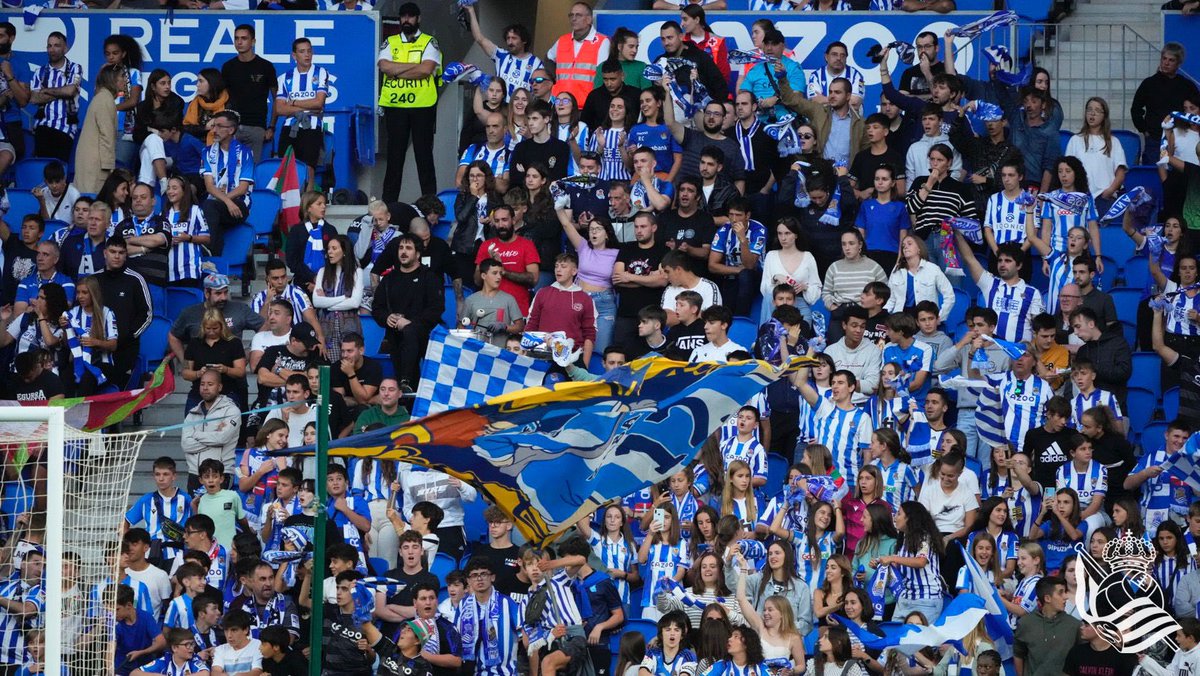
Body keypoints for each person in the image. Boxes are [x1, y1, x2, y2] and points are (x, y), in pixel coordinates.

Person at [378, 2, 442, 200]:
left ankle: (430, 204)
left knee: (424, 156)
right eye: (403, 16)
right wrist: (413, 67)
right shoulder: (391, 41)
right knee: (394, 157)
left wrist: (397, 70)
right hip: (396, 106)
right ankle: (389, 204)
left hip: (423, 105)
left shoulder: (429, 41)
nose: (406, 20)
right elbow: (384, 67)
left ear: (418, 18)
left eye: (411, 16)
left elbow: (426, 70)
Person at [372, 234, 444, 389]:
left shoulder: (429, 277)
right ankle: (405, 387)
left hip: (426, 336)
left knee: (410, 332)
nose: (403, 252)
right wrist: (387, 317)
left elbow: (436, 308)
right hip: (396, 337)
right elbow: (377, 308)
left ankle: (406, 380)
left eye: (408, 248)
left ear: (418, 254)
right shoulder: (389, 279)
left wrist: (411, 323)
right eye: (401, 248)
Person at [90, 236, 152, 385]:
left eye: (121, 252)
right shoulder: (93, 279)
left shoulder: (135, 279)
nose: (117, 256)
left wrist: (129, 336)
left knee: (121, 389)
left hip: (125, 349)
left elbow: (147, 314)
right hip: (96, 348)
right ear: (105, 253)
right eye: (113, 252)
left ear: (126, 255)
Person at [1132, 42, 1200, 165]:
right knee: (1154, 174)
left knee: (1181, 173)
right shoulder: (1149, 84)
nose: (1166, 63)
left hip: (1181, 138)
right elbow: (1136, 109)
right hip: (1155, 139)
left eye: (1171, 60)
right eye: (1164, 58)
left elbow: (1197, 108)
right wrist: (1144, 130)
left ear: (1178, 63)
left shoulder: (1187, 85)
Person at [200, 110, 255, 256]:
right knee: (210, 209)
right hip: (219, 203)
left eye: (219, 126)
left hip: (239, 204)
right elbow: (209, 186)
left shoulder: (245, 152)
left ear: (231, 130)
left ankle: (208, 249)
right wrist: (227, 202)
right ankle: (214, 259)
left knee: (209, 207)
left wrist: (228, 201)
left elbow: (242, 188)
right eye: (213, 126)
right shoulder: (207, 152)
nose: (214, 130)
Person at [221, 24, 277, 162]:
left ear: (253, 41)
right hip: (231, 127)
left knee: (251, 169)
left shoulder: (266, 66)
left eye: (244, 38)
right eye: (236, 38)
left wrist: (271, 127)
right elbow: (222, 99)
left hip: (256, 127)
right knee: (229, 168)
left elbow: (277, 100)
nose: (239, 42)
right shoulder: (228, 67)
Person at [181, 370, 241, 493]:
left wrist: (195, 435)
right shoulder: (192, 413)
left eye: (210, 384)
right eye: (202, 384)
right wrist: (214, 438)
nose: (205, 388)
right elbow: (186, 445)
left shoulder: (231, 411)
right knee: (196, 507)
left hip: (220, 473)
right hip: (195, 474)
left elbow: (222, 438)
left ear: (219, 387)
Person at [29, 31, 81, 162]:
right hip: (42, 126)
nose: (52, 49)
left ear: (65, 48)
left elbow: (70, 91)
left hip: (65, 127)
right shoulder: (40, 71)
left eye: (57, 45)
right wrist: (61, 91)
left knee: (58, 167)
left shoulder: (75, 68)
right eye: (49, 46)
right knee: (43, 166)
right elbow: (34, 98)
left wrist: (45, 91)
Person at [1013, 576, 1080, 676]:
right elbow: (1018, 654)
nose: (1066, 597)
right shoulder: (1025, 623)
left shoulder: (1074, 625)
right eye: (1060, 593)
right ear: (1047, 598)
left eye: (1065, 592)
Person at [73, 63, 125, 194]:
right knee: (92, 200)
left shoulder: (102, 97)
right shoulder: (105, 100)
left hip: (92, 161)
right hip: (96, 165)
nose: (125, 80)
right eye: (122, 76)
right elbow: (106, 136)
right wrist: (109, 166)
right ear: (113, 79)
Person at [547, 2, 610, 106]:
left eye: (578, 15)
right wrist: (554, 81)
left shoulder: (602, 41)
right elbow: (548, 58)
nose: (574, 18)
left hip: (586, 104)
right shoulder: (562, 40)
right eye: (571, 15)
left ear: (589, 19)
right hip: (560, 102)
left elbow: (601, 74)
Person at [1071, 307, 1132, 404]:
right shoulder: (1082, 351)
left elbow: (1123, 373)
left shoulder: (1118, 343)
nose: (1075, 332)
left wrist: (1092, 368)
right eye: (1073, 328)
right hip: (1088, 407)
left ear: (1091, 324)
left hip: (1114, 406)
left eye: (1078, 326)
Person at [183, 68, 229, 146]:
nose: (197, 85)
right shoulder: (194, 103)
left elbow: (232, 127)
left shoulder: (228, 103)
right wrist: (205, 127)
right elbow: (186, 128)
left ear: (212, 83)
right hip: (197, 145)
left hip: (222, 145)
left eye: (201, 81)